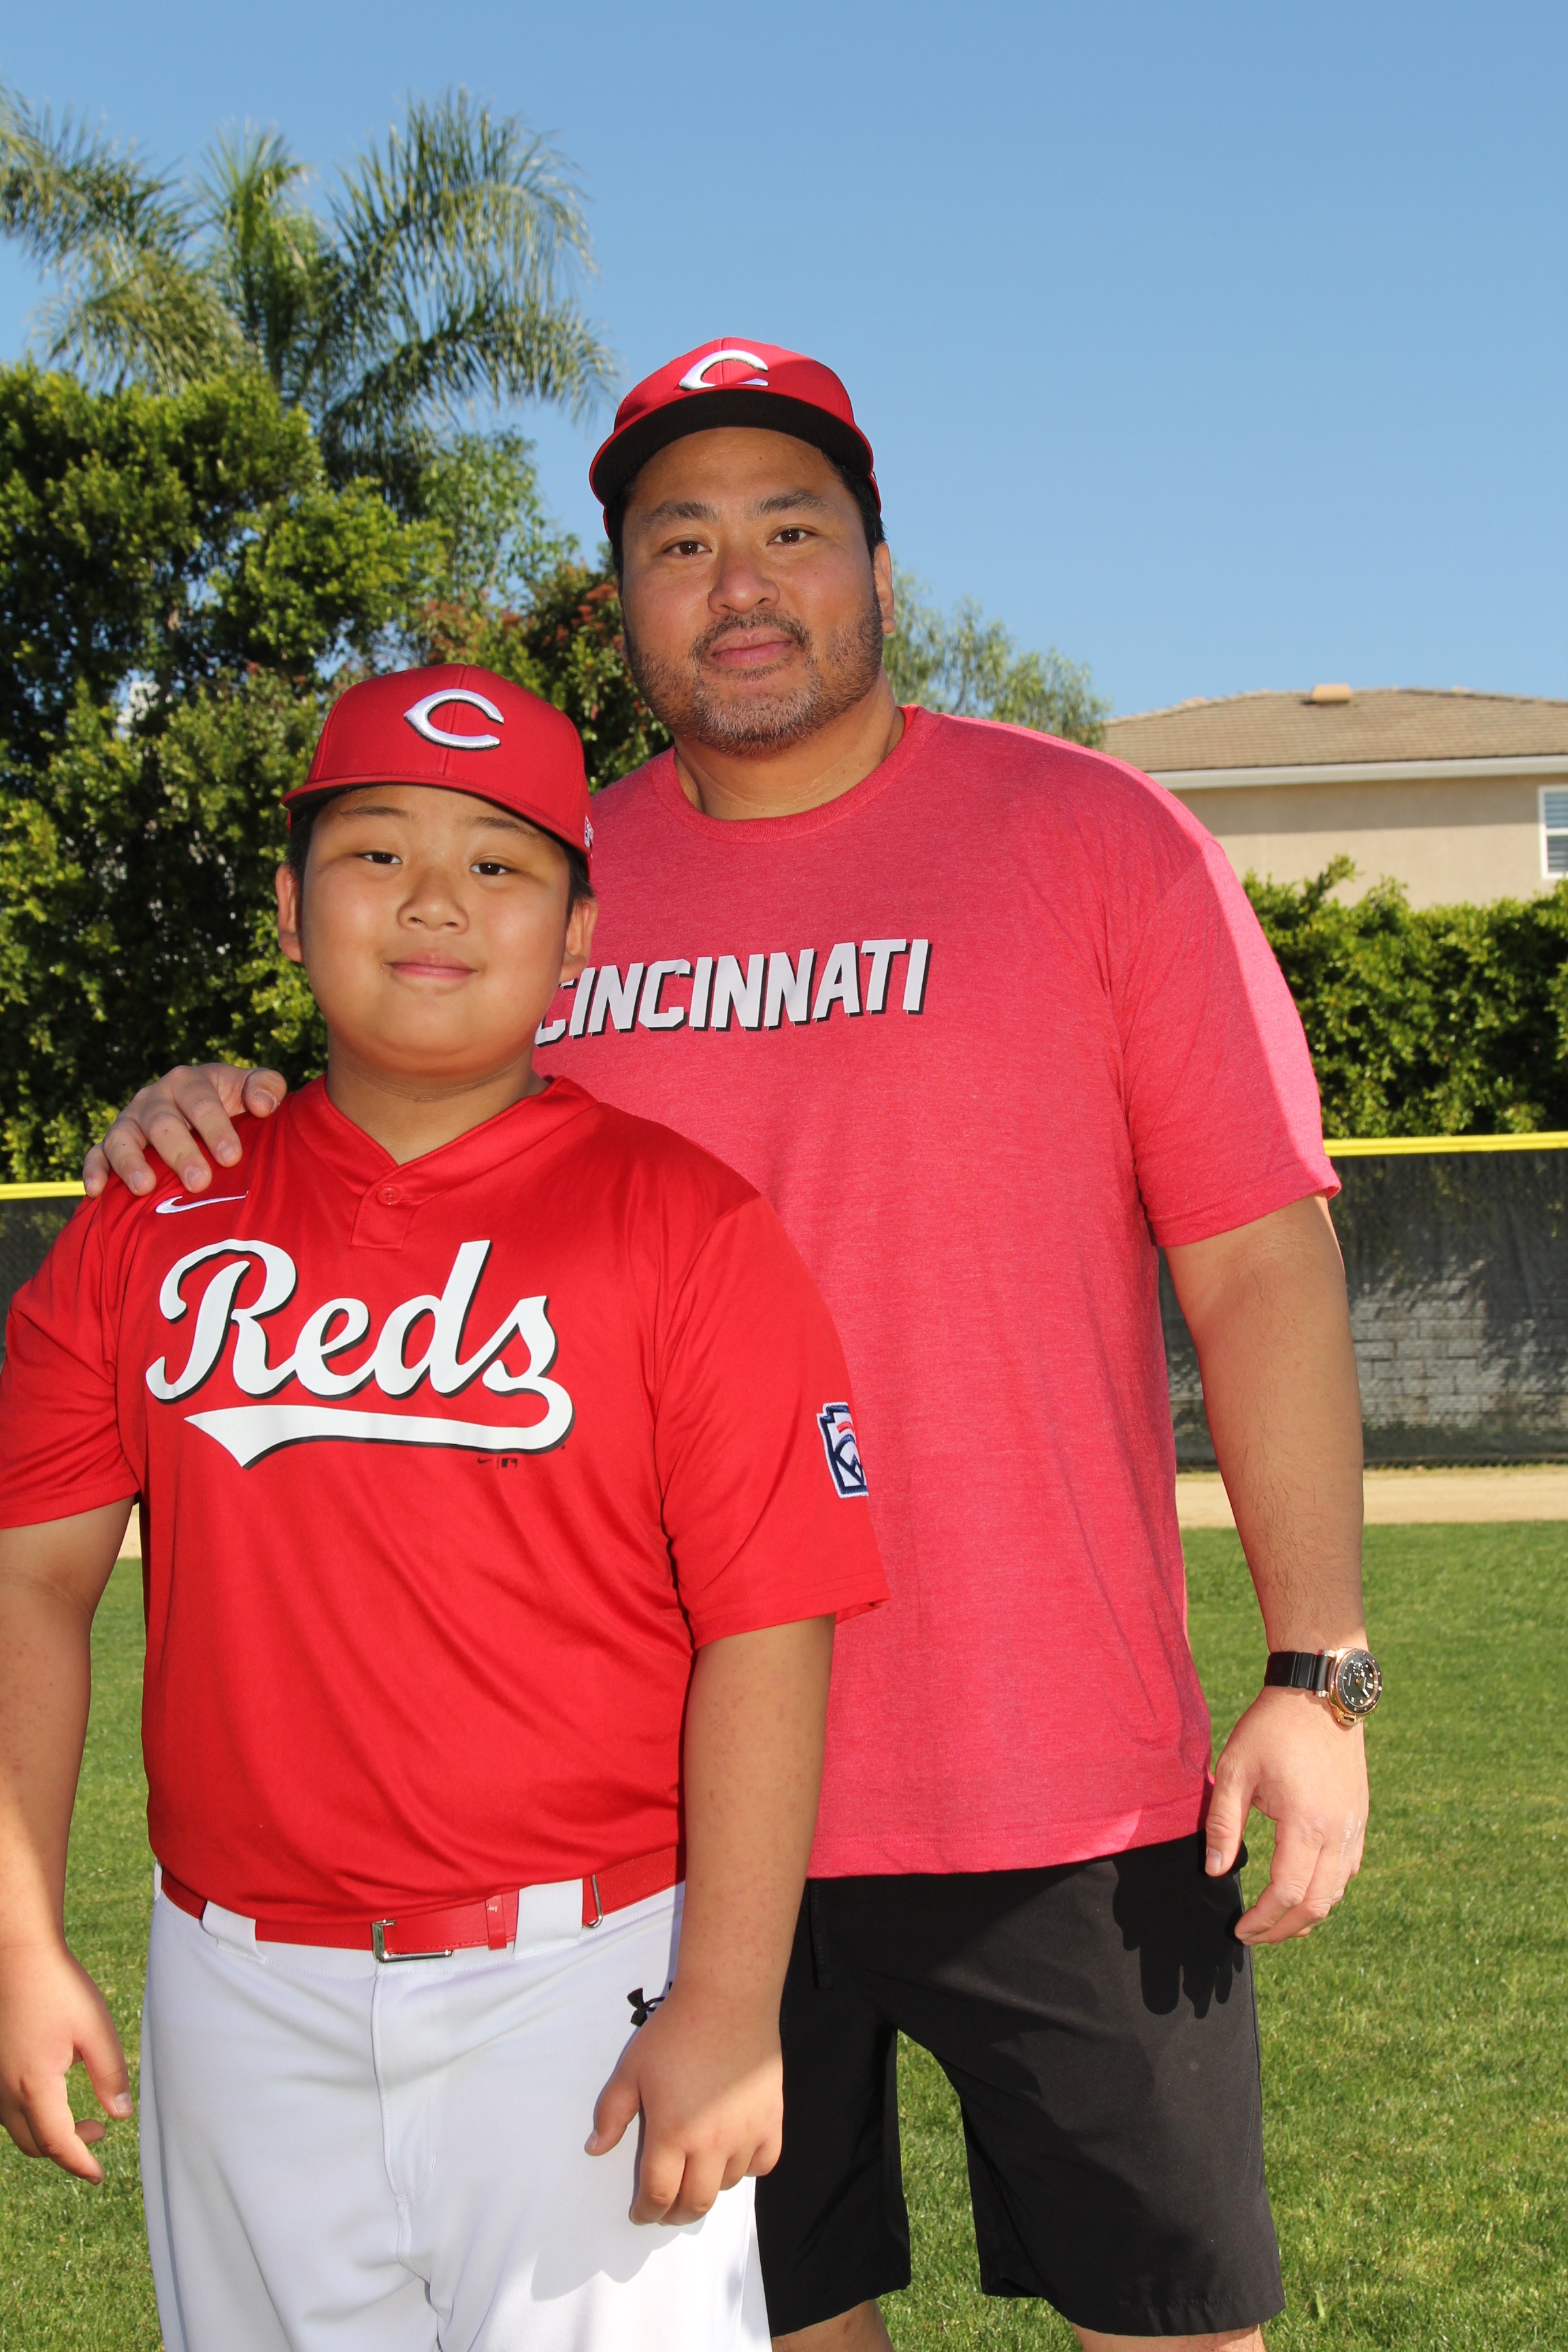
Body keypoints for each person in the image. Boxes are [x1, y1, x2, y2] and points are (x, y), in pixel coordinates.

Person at [88, 342, 1382, 2352]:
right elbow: (386, 1119)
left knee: (1178, 2324)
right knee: (772, 2325)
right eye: (681, 543)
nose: (742, 580)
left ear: (880, 566)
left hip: (1053, 1773)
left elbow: (1261, 1268)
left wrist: (1317, 1669)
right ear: (625, 600)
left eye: (792, 527)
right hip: (664, 1821)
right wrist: (216, 1106)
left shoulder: (1096, 836)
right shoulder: (541, 883)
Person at [0, 662, 888, 2352]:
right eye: (374, 851)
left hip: (582, 1982)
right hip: (234, 1986)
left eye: (498, 862)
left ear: (578, 937)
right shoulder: (151, 1214)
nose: (432, 900)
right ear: (289, 911)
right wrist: (16, 1939)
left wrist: (727, 2000)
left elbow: (771, 1628)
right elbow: (28, 1586)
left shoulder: (690, 1227)